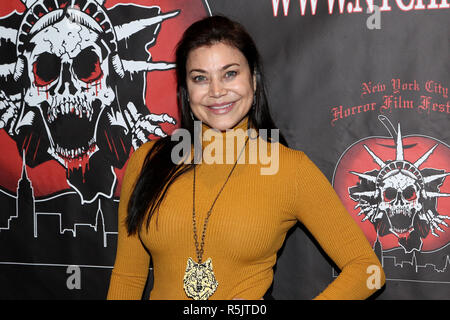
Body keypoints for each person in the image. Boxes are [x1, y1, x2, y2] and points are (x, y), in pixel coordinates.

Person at [107, 15, 385, 300]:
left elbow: (367, 270)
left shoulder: (289, 169)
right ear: (186, 90)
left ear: (252, 78)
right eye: (200, 78)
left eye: (230, 74)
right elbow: (128, 278)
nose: (217, 91)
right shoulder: (147, 161)